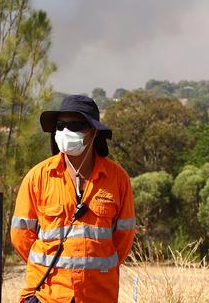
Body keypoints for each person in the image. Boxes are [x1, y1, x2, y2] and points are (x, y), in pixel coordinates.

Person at [11, 95, 136, 303]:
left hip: (98, 296)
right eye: (60, 125)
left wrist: (95, 268)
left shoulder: (118, 179)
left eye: (75, 125)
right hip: (47, 296)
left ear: (93, 132)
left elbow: (123, 240)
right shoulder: (38, 177)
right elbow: (21, 237)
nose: (65, 132)